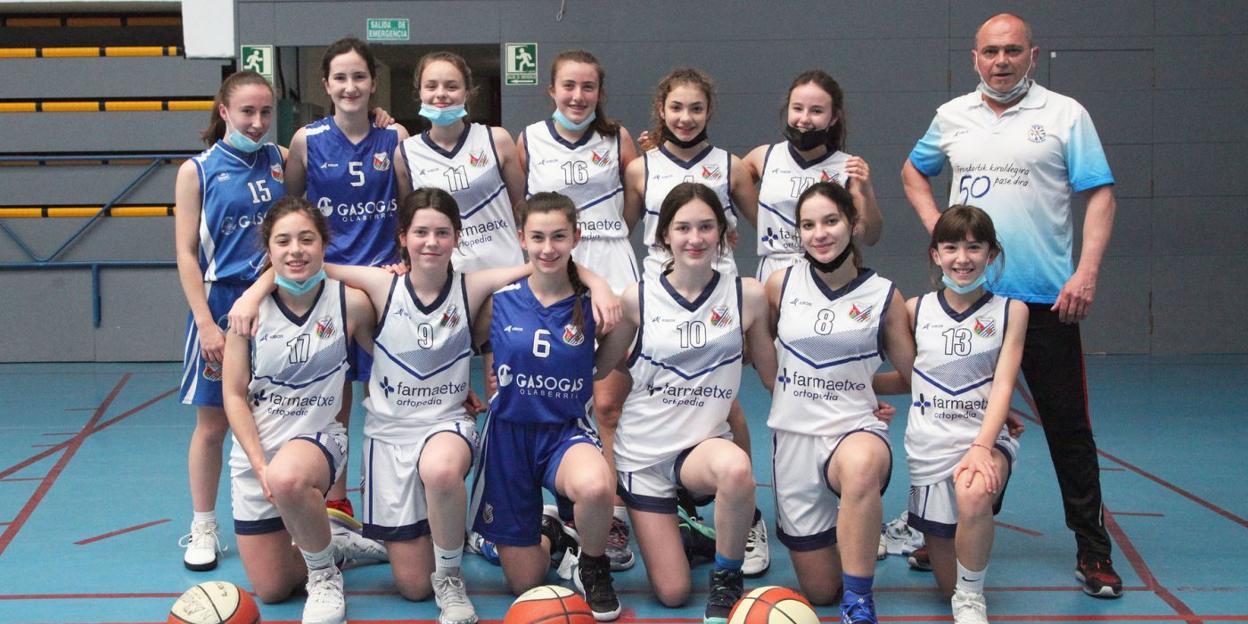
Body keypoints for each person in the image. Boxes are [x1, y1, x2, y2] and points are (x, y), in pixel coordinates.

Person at [228, 189, 620, 624]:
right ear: (403, 237)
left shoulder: (473, 286)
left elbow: (546, 260)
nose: (431, 242)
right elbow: (306, 264)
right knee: (413, 586)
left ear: (457, 238)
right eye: (420, 232)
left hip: (447, 425)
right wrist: (253, 293)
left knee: (440, 470)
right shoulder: (380, 285)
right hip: (389, 436)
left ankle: (450, 577)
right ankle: (398, 545)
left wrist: (599, 283)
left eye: (442, 233)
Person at [900, 12, 1121, 598]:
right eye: (991, 52)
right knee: (955, 418)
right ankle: (941, 531)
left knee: (1068, 429)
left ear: (1032, 56)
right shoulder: (952, 116)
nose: (1001, 61)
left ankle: (1092, 549)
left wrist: (1086, 272)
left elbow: (1100, 194)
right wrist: (940, 231)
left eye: (1013, 51)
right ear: (975, 58)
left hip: (1045, 302)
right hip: (968, 304)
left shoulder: (1066, 115)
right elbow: (913, 172)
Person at [601, 182, 777, 624]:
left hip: (700, 447)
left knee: (736, 469)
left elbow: (773, 376)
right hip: (643, 456)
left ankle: (726, 577)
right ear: (665, 235)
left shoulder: (747, 295)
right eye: (683, 228)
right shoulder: (638, 297)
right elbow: (599, 366)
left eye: (705, 227)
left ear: (723, 233)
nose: (694, 238)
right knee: (673, 593)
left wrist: (854, 402)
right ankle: (692, 533)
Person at [622, 67, 769, 576]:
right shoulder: (640, 168)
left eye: (696, 108)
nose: (686, 117)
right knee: (634, 398)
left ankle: (746, 517)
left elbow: (771, 226)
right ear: (661, 110)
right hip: (660, 295)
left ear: (710, 111)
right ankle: (642, 508)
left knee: (725, 406)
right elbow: (617, 230)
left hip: (716, 297)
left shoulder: (730, 166)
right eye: (677, 108)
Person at [220, 197, 388, 624]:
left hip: (320, 440)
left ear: (324, 245)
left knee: (288, 477)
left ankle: (324, 575)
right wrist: (258, 464)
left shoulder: (349, 303)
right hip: (259, 454)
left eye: (306, 239)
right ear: (269, 250)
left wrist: (453, 386)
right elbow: (234, 395)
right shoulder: (246, 313)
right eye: (283, 241)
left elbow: (392, 357)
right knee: (273, 589)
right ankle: (335, 544)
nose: (295, 250)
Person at [469, 192, 630, 621]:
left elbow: (606, 361)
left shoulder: (593, 304)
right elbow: (453, 338)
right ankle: (551, 532)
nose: (547, 248)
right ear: (521, 238)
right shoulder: (499, 301)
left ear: (576, 237)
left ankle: (592, 563)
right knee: (526, 584)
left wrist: (598, 285)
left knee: (596, 486)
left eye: (559, 236)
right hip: (508, 438)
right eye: (537, 237)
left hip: (563, 431)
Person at [765, 182, 914, 624]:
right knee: (821, 591)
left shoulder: (884, 296)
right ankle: (857, 531)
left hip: (854, 429)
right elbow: (760, 354)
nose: (820, 234)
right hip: (794, 439)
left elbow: (915, 376)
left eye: (830, 221)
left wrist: (861, 387)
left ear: (852, 223)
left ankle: (860, 602)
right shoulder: (780, 285)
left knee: (862, 466)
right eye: (808, 225)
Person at [516, 49, 639, 571]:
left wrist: (606, 240)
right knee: (550, 390)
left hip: (610, 261)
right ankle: (557, 503)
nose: (577, 96)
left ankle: (611, 511)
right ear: (551, 89)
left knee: (607, 402)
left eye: (588, 87)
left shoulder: (619, 138)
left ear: (600, 92)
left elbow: (633, 204)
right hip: (554, 263)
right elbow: (520, 202)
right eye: (568, 85)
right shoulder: (528, 139)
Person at [282, 36, 410, 530]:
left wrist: (405, 261)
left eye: (359, 76)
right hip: (328, 287)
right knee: (333, 399)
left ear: (374, 83)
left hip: (383, 287)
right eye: (341, 77)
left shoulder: (394, 138)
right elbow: (292, 209)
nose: (350, 86)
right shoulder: (306, 141)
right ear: (326, 84)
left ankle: (392, 494)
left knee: (392, 394)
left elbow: (410, 206)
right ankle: (337, 502)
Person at [175, 70, 287, 571]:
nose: (257, 122)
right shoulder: (197, 171)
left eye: (265, 112)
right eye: (247, 112)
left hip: (278, 303)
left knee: (280, 413)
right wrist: (205, 323)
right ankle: (203, 524)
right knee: (213, 422)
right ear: (224, 111)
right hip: (220, 303)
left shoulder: (281, 159)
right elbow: (185, 252)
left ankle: (285, 519)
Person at [904, 205, 1028, 624]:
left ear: (991, 254)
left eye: (974, 247)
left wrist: (982, 446)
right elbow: (908, 374)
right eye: (951, 247)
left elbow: (1004, 384)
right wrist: (861, 392)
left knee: (974, 489)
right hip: (929, 445)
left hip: (983, 438)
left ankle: (972, 599)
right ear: (935, 254)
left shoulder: (1011, 311)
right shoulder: (914, 310)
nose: (963, 258)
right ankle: (918, 533)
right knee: (945, 586)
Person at [744, 70, 882, 282]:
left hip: (827, 274)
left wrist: (867, 192)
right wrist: (726, 226)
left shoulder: (848, 167)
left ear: (833, 118)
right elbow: (722, 188)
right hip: (772, 271)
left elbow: (870, 236)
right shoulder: (764, 157)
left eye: (816, 111)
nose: (804, 119)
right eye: (797, 108)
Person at [396, 51, 525, 273]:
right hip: (447, 280)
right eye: (431, 86)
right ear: (420, 93)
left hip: (507, 272)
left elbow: (523, 208)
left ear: (467, 92)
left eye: (451, 86)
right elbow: (408, 222)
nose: (441, 94)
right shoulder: (405, 153)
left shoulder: (497, 140)